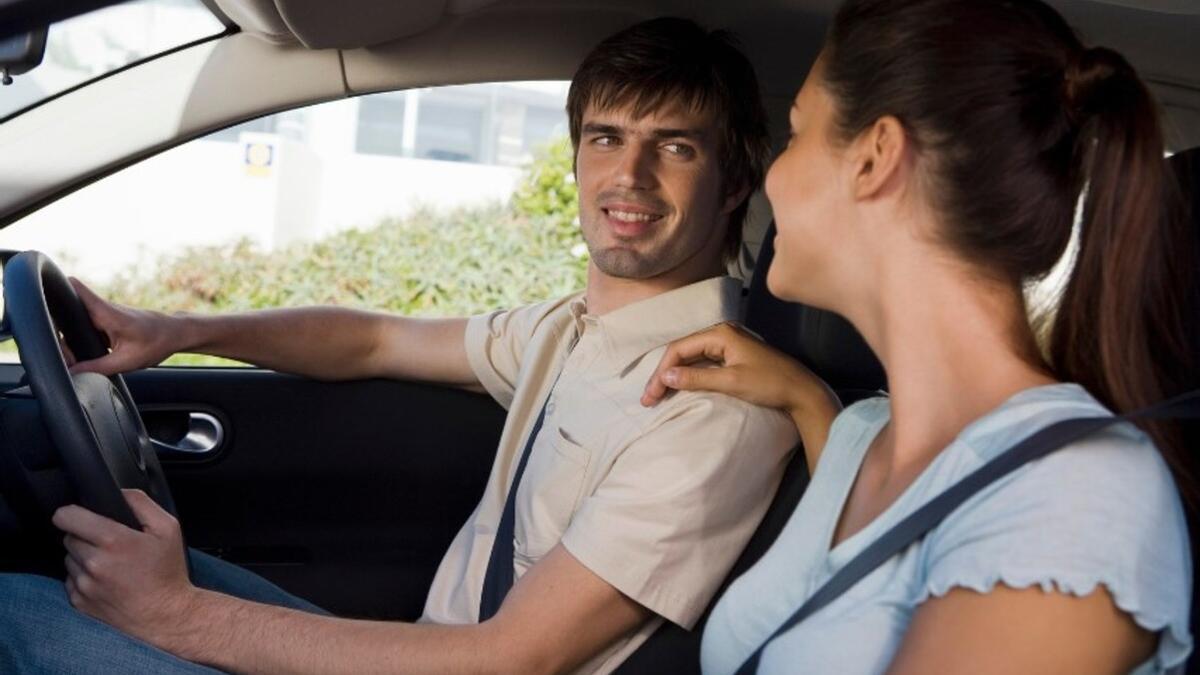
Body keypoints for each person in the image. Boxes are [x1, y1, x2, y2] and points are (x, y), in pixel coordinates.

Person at [0, 17, 798, 675]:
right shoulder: (572, 331)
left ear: (733, 184)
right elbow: (375, 338)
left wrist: (177, 614)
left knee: (13, 615)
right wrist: (178, 332)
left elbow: (512, 658)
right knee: (48, 583)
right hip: (430, 648)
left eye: (676, 146)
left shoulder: (709, 406)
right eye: (606, 138)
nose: (630, 175)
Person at [640, 0, 1197, 673]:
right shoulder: (860, 438)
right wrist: (806, 399)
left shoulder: (1079, 491)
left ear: (874, 158)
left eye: (794, 135)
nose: (773, 179)